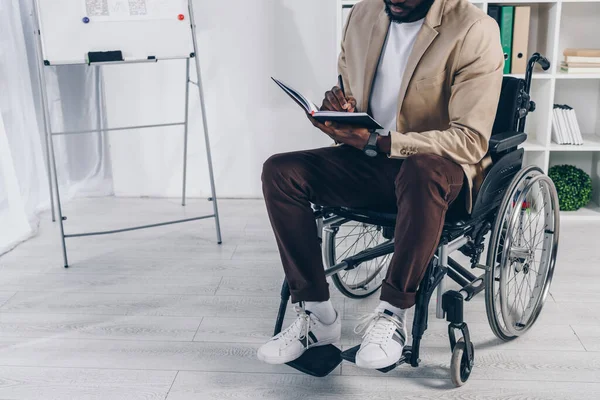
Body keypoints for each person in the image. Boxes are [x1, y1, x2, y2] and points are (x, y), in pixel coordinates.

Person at [258, 0, 504, 369]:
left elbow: (469, 140)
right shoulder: (362, 13)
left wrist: (383, 142)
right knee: (280, 171)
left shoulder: (473, 28)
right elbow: (352, 90)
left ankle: (393, 314)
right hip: (372, 160)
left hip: (438, 172)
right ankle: (318, 317)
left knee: (421, 171)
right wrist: (339, 109)